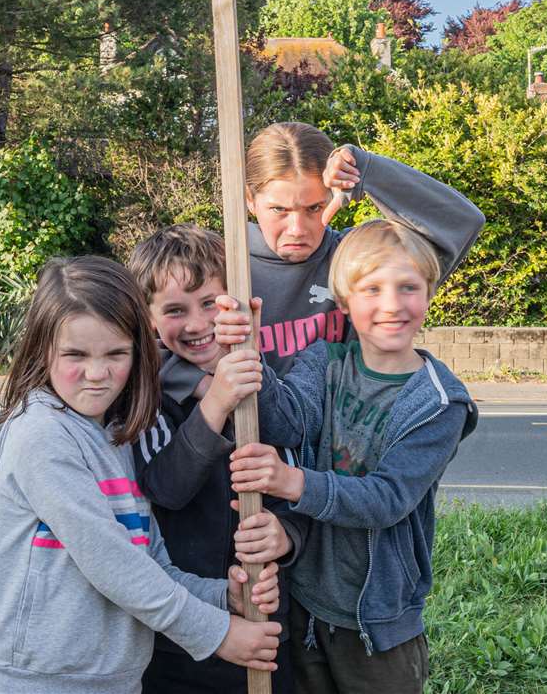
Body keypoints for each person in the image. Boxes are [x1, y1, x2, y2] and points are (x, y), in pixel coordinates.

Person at [0, 255, 283, 694]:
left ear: (139, 353)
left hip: (113, 678)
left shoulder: (114, 433)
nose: (98, 374)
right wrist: (218, 633)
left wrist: (222, 597)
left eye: (116, 354)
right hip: (41, 680)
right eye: (75, 355)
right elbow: (113, 566)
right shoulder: (41, 433)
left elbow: (148, 562)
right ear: (42, 349)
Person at [214, 219, 480, 694]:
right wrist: (249, 352)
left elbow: (386, 500)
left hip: (378, 625)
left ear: (429, 292)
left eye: (407, 287)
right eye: (371, 289)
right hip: (309, 604)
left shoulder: (439, 403)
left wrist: (292, 482)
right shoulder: (326, 361)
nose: (392, 305)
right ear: (344, 302)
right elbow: (287, 420)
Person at [162, 120, 484, 401]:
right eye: (280, 210)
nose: (298, 229)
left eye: (314, 208)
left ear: (332, 198)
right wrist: (204, 386)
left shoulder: (352, 261)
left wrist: (368, 172)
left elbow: (461, 224)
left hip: (339, 457)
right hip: (249, 459)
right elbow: (145, 339)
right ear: (250, 199)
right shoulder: (218, 265)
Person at [128, 224, 306, 694]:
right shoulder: (146, 398)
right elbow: (165, 489)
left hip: (267, 614)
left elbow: (297, 470)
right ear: (148, 320)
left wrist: (286, 537)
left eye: (210, 302)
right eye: (174, 310)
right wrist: (215, 402)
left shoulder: (267, 384)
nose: (197, 323)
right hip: (180, 632)